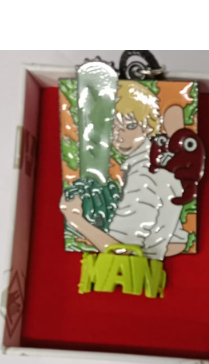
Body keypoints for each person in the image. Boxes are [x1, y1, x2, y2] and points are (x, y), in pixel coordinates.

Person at [61, 81, 188, 260]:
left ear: (147, 125)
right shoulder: (159, 161)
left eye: (130, 126)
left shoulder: (144, 173)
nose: (120, 137)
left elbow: (121, 249)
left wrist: (75, 218)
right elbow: (176, 241)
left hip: (137, 266)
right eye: (112, 128)